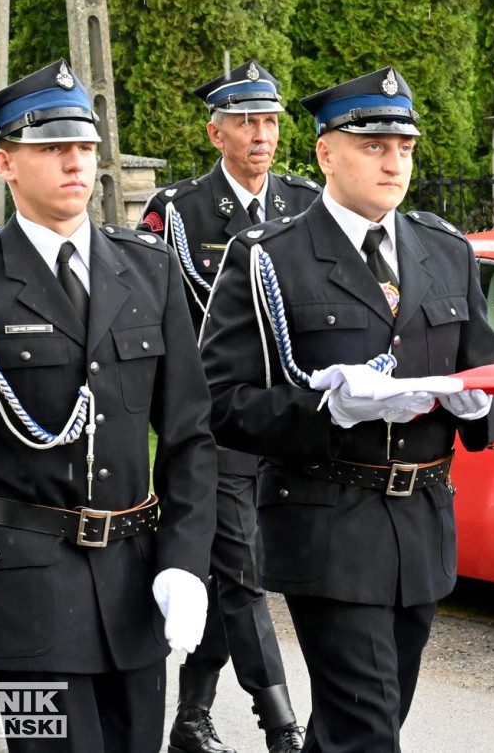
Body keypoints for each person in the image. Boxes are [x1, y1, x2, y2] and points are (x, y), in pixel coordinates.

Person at [0, 60, 218, 753]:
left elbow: (189, 436)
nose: (74, 162)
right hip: (29, 589)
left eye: (83, 145)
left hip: (135, 586)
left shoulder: (150, 268)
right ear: (5, 162)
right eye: (52, 147)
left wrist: (184, 558)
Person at [200, 66, 494, 753]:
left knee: (359, 724)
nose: (394, 160)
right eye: (374, 145)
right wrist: (328, 411)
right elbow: (221, 403)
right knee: (368, 729)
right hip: (327, 526)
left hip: (422, 527)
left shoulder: (445, 250)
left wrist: (475, 405)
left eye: (404, 146)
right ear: (325, 152)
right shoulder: (271, 259)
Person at [137, 59, 317, 753]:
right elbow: (154, 317)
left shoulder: (301, 204)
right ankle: (282, 726)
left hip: (287, 418)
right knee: (242, 571)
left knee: (231, 568)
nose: (261, 134)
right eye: (246, 121)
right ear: (216, 133)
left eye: (270, 120)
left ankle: (191, 715)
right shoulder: (178, 212)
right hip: (212, 420)